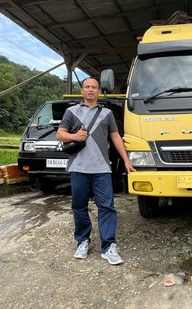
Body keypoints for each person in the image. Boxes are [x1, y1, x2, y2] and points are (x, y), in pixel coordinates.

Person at [56, 77, 135, 265]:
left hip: (101, 169)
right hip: (78, 167)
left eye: (94, 87)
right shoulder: (71, 111)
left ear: (99, 91)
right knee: (79, 206)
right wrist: (75, 136)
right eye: (87, 87)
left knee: (107, 207)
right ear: (82, 90)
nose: (90, 90)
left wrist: (126, 161)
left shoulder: (106, 113)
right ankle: (82, 240)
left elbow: (116, 137)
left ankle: (108, 246)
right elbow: (60, 134)